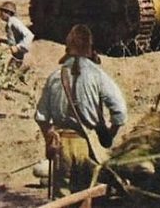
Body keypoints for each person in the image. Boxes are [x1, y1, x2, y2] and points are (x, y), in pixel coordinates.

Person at [34, 25, 127, 199]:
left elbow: (41, 117)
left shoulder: (55, 77)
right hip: (88, 145)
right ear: (90, 49)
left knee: (62, 200)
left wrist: (49, 138)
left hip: (61, 147)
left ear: (67, 49)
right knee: (87, 197)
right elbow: (120, 112)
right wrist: (107, 136)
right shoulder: (98, 74)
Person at [0, 1, 34, 66]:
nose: (0, 14)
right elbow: (14, 42)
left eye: (2, 12)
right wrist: (2, 40)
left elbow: (29, 35)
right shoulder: (9, 23)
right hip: (17, 57)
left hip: (23, 57)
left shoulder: (14, 21)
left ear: (8, 12)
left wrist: (18, 47)